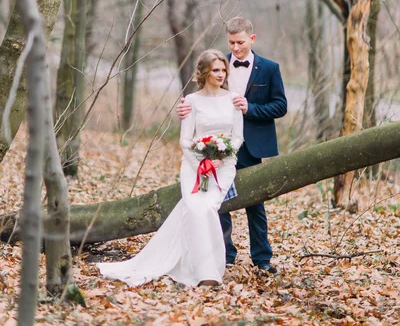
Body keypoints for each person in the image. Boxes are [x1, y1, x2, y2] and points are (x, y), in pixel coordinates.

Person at [97, 49, 243, 287]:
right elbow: (185, 140)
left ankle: (210, 271)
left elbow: (237, 137)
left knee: (206, 208)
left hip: (223, 166)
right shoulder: (191, 102)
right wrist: (200, 164)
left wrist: (221, 158)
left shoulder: (233, 99)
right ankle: (205, 273)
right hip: (194, 164)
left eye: (223, 69)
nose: (221, 74)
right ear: (205, 72)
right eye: (216, 69)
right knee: (195, 207)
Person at [177, 17, 287, 274]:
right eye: (231, 43)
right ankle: (225, 254)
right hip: (217, 147)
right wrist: (183, 109)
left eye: (240, 42)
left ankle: (262, 257)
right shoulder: (218, 64)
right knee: (219, 200)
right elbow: (202, 102)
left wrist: (251, 108)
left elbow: (280, 106)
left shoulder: (270, 68)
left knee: (254, 203)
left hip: (252, 145)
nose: (236, 48)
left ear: (252, 39)